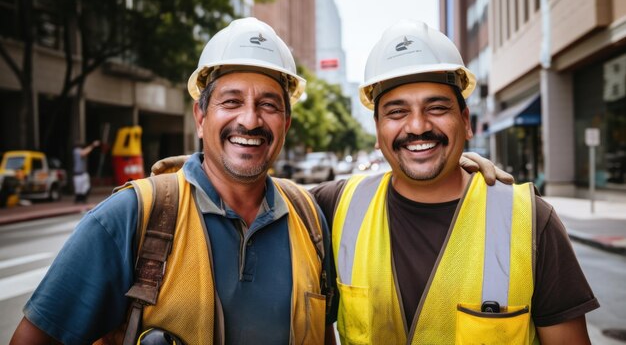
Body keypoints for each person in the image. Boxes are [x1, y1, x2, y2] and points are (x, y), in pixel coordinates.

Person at [10, 17, 336, 345]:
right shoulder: (129, 216)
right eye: (232, 102)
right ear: (200, 117)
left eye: (268, 105)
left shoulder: (308, 218)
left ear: (286, 123)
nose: (250, 120)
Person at [310, 19, 599, 344]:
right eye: (396, 112)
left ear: (465, 122)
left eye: (436, 107)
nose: (418, 126)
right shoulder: (334, 207)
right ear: (377, 130)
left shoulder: (531, 221)